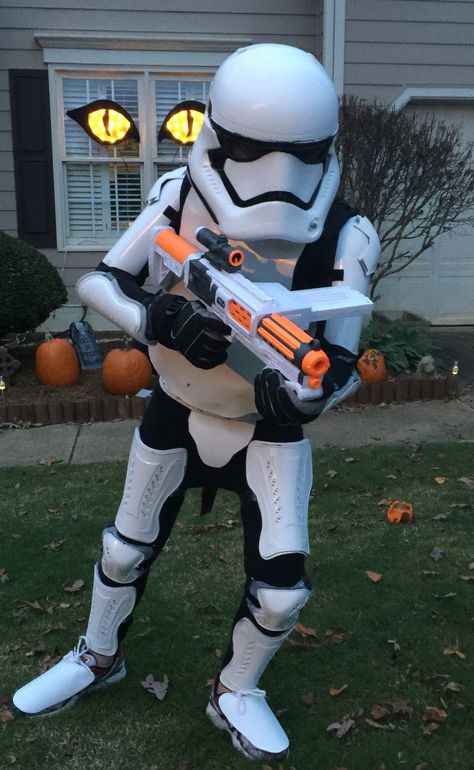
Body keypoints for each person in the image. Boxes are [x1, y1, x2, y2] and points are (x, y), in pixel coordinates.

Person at [13, 43, 379, 761]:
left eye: (296, 151)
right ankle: (97, 655)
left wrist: (306, 396)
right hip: (177, 407)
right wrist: (161, 319)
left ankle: (235, 688)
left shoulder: (347, 233)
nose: (275, 175)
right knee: (124, 551)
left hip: (265, 430)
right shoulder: (178, 197)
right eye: (253, 147)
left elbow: (341, 360)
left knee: (281, 591)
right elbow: (101, 283)